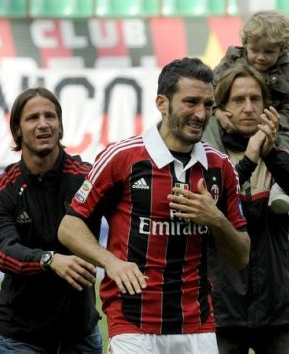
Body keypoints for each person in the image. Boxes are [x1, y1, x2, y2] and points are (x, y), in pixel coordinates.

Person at [58, 57, 250, 354]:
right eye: (191, 102)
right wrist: (111, 262)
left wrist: (216, 219)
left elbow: (241, 256)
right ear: (162, 102)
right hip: (133, 323)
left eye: (208, 104)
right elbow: (69, 226)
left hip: (197, 324)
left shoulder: (220, 167)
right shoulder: (122, 157)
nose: (201, 113)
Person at [203, 63, 289, 354]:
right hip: (220, 315)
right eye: (238, 100)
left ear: (267, 106)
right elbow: (216, 204)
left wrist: (271, 153)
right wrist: (249, 158)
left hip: (280, 312)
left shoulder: (282, 155)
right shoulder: (205, 156)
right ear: (221, 109)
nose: (248, 108)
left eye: (255, 99)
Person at [0, 87, 102, 354]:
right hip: (21, 337)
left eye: (50, 116)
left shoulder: (88, 179)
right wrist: (50, 259)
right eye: (33, 118)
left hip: (80, 332)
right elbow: (2, 252)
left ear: (60, 126)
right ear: (17, 130)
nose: (43, 124)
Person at [213, 10, 289, 214]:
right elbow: (209, 88)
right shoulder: (232, 60)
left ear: (282, 49)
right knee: (209, 123)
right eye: (255, 50)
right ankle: (213, 170)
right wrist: (217, 112)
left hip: (272, 128)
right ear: (245, 45)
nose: (260, 57)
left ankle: (280, 185)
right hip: (231, 125)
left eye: (269, 52)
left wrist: (273, 124)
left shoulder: (287, 72)